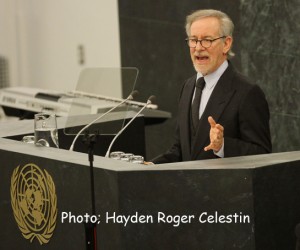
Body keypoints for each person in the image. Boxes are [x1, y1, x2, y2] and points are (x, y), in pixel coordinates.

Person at [151, 9, 272, 164]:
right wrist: (151, 167)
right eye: (193, 40)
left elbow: (262, 154)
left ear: (226, 44)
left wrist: (222, 146)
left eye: (207, 40)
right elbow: (180, 150)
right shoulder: (188, 87)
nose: (199, 47)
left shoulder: (247, 92)